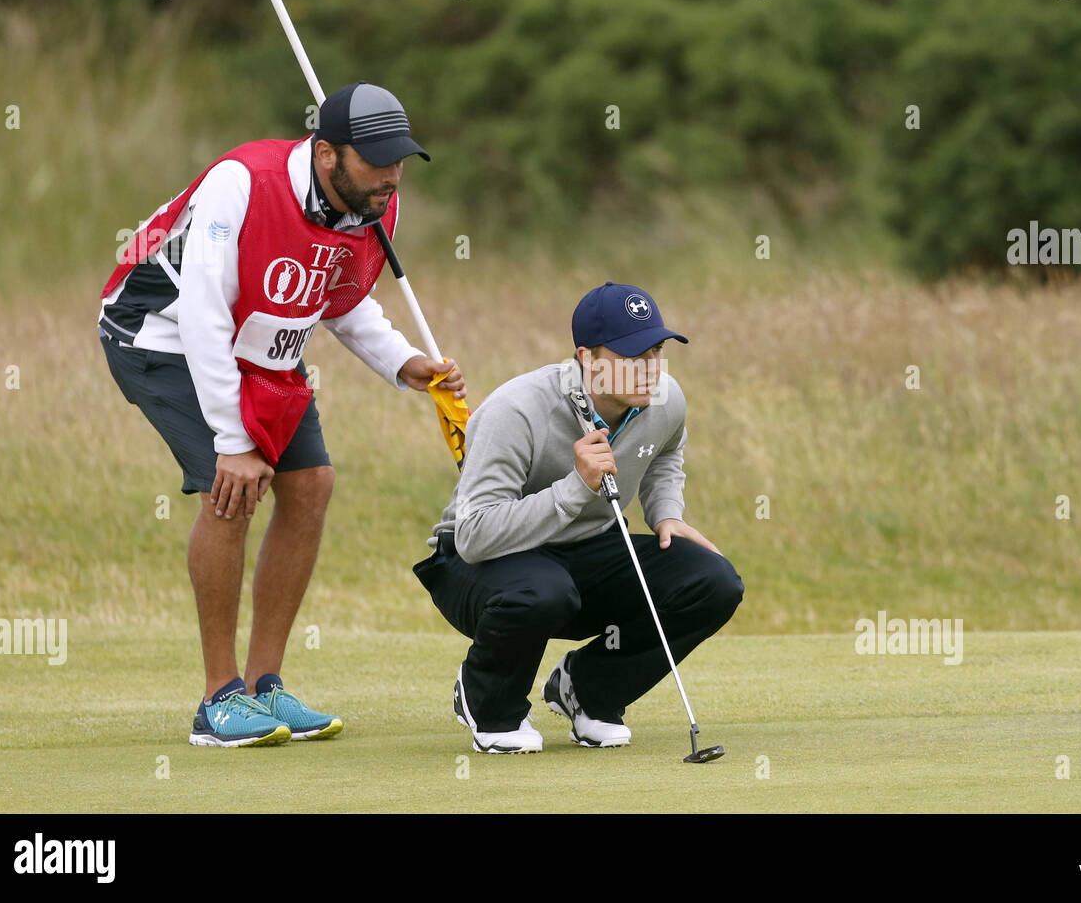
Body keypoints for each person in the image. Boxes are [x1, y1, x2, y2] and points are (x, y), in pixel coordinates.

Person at [98, 82, 466, 747]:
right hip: (160, 332)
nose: (391, 176)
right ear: (327, 155)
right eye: (375, 161)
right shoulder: (241, 184)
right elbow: (205, 314)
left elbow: (340, 298)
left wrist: (404, 362)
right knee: (232, 485)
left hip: (259, 343)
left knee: (310, 484)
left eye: (399, 160)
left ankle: (266, 687)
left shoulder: (375, 204)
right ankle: (219, 700)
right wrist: (233, 442)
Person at [414, 282, 743, 754]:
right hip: (480, 566)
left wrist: (666, 512)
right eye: (633, 357)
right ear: (587, 359)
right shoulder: (516, 410)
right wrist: (573, 489)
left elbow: (667, 451)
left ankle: (588, 690)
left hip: (587, 552)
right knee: (543, 589)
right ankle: (489, 703)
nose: (651, 369)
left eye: (656, 351)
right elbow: (473, 535)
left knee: (713, 580)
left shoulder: (665, 398)